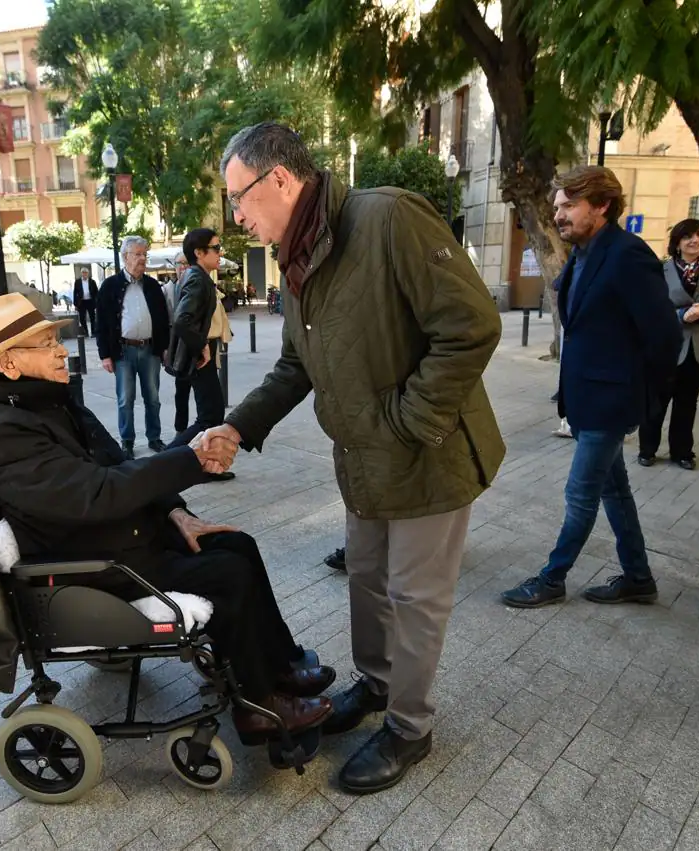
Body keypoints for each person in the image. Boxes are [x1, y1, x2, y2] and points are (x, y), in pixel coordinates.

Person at [197, 122, 507, 794]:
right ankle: (378, 684)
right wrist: (238, 424)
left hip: (428, 456)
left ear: (278, 178)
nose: (238, 217)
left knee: (415, 597)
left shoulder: (387, 218)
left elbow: (472, 325)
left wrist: (408, 420)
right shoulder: (298, 257)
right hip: (363, 463)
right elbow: (293, 365)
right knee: (367, 579)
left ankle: (410, 726)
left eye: (240, 198)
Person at [0, 293, 334, 742]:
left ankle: (281, 667)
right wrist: (191, 458)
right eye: (45, 344)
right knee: (226, 571)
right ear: (9, 363)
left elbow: (118, 465)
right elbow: (97, 493)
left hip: (117, 537)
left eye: (56, 339)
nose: (62, 350)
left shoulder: (47, 404)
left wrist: (177, 511)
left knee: (237, 544)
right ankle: (257, 706)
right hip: (88, 566)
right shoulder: (3, 434)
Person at [501, 166, 681, 611]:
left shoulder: (628, 255)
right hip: (586, 398)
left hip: (611, 401)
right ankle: (639, 577)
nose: (558, 214)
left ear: (601, 206)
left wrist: (644, 399)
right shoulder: (583, 254)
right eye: (557, 206)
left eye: (568, 206)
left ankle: (552, 577)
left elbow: (665, 337)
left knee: (580, 493)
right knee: (614, 491)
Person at [637, 218, 699, 470]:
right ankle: (647, 449)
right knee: (658, 400)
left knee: (687, 402)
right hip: (667, 346)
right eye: (688, 236)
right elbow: (651, 307)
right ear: (677, 243)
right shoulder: (663, 269)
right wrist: (680, 316)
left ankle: (682, 452)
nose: (696, 240)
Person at [96, 236, 171, 460]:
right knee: (125, 399)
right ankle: (127, 441)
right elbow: (101, 323)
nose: (142, 259)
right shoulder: (110, 286)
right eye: (137, 254)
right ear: (125, 257)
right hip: (122, 352)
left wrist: (164, 347)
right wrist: (104, 355)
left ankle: (154, 438)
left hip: (150, 350)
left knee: (153, 397)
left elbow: (162, 318)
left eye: (144, 254)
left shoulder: (152, 285)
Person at [172, 228, 236, 483]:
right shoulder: (197, 279)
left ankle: (206, 466)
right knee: (209, 417)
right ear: (199, 253)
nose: (220, 253)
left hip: (202, 355)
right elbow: (181, 320)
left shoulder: (198, 276)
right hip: (200, 357)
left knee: (211, 416)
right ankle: (165, 460)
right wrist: (202, 346)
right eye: (216, 248)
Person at [163, 252, 193, 434]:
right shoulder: (167, 290)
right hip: (178, 347)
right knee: (181, 391)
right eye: (179, 263)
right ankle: (180, 430)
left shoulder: (197, 286)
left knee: (201, 391)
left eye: (186, 263)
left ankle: (205, 427)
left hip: (196, 346)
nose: (182, 267)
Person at [73, 267, 99, 337]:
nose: (84, 274)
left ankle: (93, 332)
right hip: (82, 302)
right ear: (81, 273)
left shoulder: (92, 281)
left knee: (92, 318)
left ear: (88, 274)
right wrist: (75, 304)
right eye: (83, 272)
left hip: (90, 301)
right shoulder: (77, 282)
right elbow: (75, 293)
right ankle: (86, 332)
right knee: (82, 318)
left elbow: (96, 292)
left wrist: (97, 301)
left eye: (86, 273)